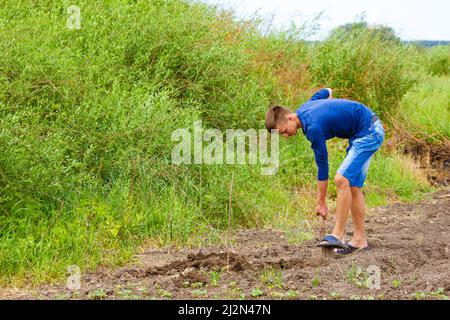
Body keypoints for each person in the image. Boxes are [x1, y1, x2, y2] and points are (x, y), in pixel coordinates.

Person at [265, 88, 385, 254]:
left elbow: (322, 166)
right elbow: (327, 91)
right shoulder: (307, 106)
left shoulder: (313, 127)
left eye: (284, 131)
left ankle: (338, 235)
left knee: (341, 179)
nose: (285, 136)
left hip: (369, 133)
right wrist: (333, 111)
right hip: (364, 131)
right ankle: (359, 240)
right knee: (353, 186)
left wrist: (321, 202)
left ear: (290, 117)